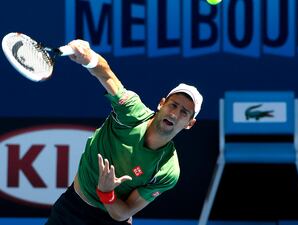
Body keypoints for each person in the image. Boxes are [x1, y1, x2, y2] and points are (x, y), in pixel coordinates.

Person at [45, 40, 203, 225]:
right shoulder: (131, 111)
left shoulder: (167, 170)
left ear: (189, 124)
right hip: (72, 208)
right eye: (173, 105)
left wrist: (106, 192)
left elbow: (123, 213)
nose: (175, 114)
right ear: (161, 104)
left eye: (184, 112)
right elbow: (106, 74)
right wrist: (88, 57)